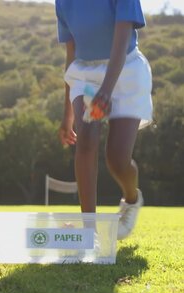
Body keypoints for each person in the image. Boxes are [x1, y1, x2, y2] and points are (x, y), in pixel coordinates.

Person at [55, 0, 153, 240]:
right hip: (86, 77)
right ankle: (90, 233)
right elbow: (71, 52)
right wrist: (67, 114)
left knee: (117, 159)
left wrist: (106, 91)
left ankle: (131, 199)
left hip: (126, 72)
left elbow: (120, 44)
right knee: (86, 139)